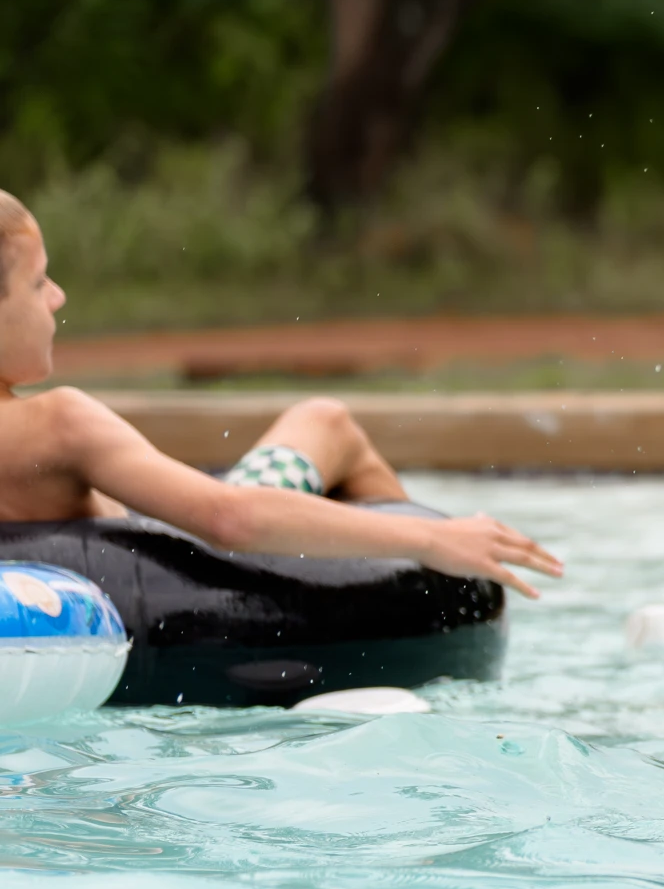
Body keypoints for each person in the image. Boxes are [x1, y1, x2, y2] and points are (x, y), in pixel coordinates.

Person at [0, 191, 561, 595]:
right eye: (38, 282)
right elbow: (229, 520)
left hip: (132, 568)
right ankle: (424, 604)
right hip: (196, 560)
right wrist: (430, 538)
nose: (58, 297)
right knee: (326, 420)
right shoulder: (59, 423)